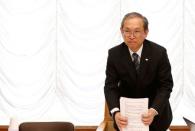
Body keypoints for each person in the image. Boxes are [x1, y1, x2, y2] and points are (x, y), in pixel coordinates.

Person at [104, 12, 173, 131]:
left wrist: (153, 110)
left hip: (156, 118)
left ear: (146, 32)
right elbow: (110, 86)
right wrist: (115, 112)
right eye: (127, 31)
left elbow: (166, 86)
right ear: (121, 31)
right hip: (126, 119)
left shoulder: (159, 53)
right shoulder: (114, 54)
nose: (131, 36)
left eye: (136, 31)